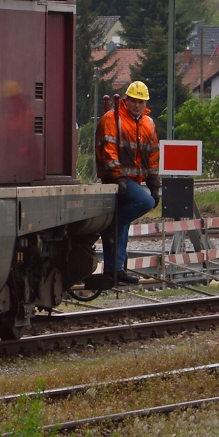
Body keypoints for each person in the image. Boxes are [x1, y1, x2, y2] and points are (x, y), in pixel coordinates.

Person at [95, 80, 160, 285]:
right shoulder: (112, 119)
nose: (137, 105)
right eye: (134, 100)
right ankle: (108, 227)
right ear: (126, 100)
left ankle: (115, 270)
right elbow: (109, 150)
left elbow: (152, 156)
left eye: (141, 101)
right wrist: (118, 177)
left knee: (123, 227)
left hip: (133, 180)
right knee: (145, 203)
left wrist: (154, 185)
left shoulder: (147, 124)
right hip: (118, 180)